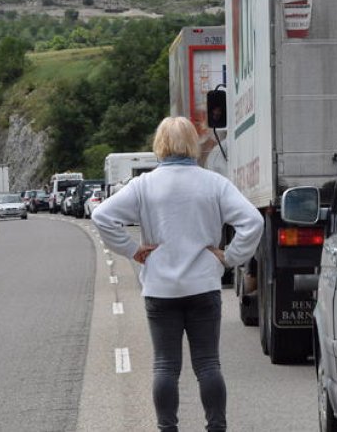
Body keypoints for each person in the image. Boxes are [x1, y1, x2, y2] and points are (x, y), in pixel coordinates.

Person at [92, 117, 263, 432]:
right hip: (203, 285)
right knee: (208, 365)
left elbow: (102, 215)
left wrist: (132, 250)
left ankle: (167, 428)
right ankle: (216, 427)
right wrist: (232, 257)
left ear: (160, 145)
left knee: (165, 367)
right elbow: (253, 221)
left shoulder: (144, 185)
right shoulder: (214, 183)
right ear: (192, 144)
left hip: (160, 289)